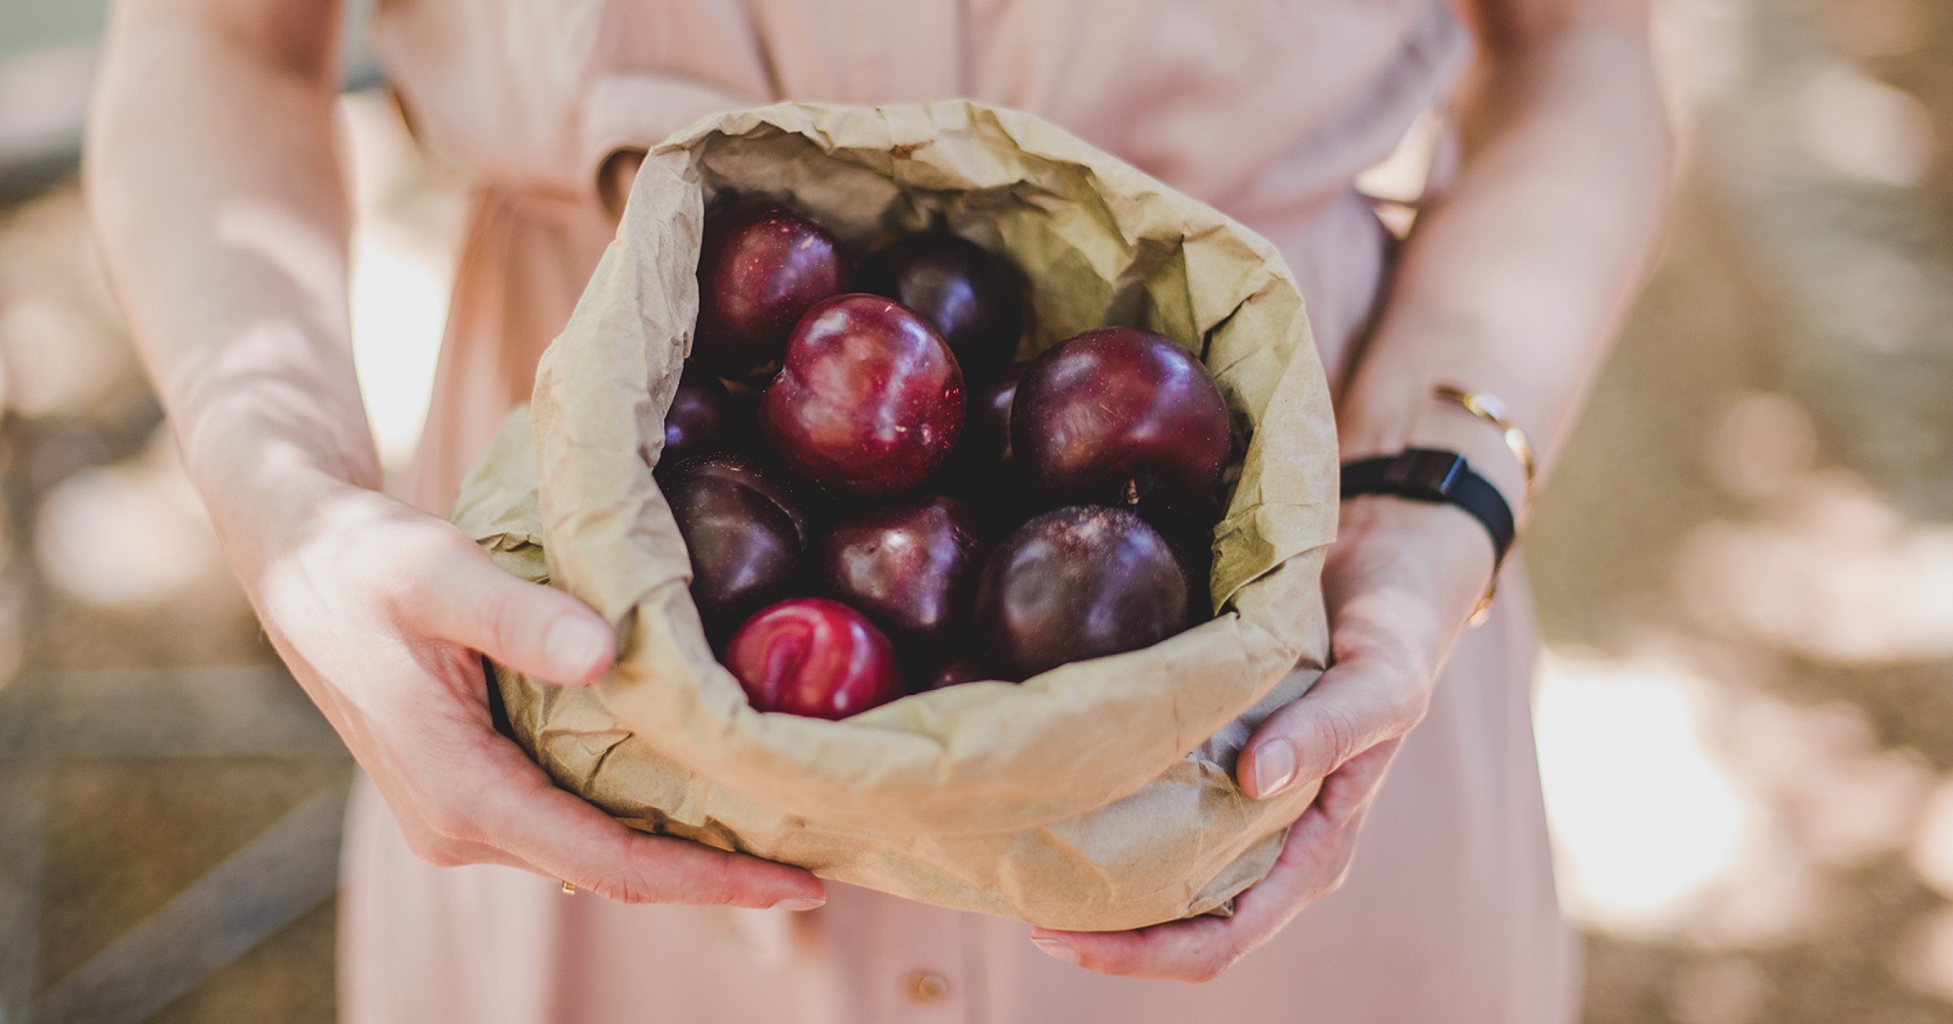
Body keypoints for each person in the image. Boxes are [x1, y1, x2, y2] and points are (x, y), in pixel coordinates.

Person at [86, 0, 1668, 1020]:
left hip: (1266, 665)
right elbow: (215, 45)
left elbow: (1578, 45)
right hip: (612, 659)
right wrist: (288, 504)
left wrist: (1438, 487)